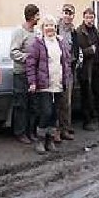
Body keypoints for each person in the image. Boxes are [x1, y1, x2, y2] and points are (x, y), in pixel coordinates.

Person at [26, 15, 70, 154]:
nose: (49, 28)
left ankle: (49, 140)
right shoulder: (38, 44)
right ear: (43, 28)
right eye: (47, 25)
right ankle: (39, 140)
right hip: (44, 84)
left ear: (55, 27)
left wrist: (66, 78)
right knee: (46, 112)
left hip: (58, 83)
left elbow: (66, 62)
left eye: (52, 25)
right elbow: (31, 64)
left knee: (55, 113)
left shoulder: (60, 43)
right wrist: (32, 82)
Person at [75, 7, 99, 131]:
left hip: (98, 66)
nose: (90, 20)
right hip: (85, 68)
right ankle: (87, 122)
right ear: (83, 18)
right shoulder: (79, 31)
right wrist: (90, 50)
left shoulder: (96, 30)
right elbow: (77, 51)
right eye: (87, 17)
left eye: (92, 17)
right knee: (86, 96)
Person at [10, 4, 40, 144]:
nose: (39, 18)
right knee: (21, 104)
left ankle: (31, 131)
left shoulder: (36, 33)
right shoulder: (19, 32)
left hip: (33, 74)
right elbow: (13, 52)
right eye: (37, 15)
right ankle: (20, 132)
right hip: (21, 74)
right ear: (32, 16)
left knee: (33, 104)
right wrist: (27, 57)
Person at [56, 3, 76, 141]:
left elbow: (75, 48)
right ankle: (56, 131)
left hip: (69, 70)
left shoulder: (73, 31)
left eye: (70, 14)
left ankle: (65, 129)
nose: (68, 16)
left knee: (67, 103)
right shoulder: (55, 28)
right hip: (56, 69)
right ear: (62, 13)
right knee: (57, 101)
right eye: (66, 13)